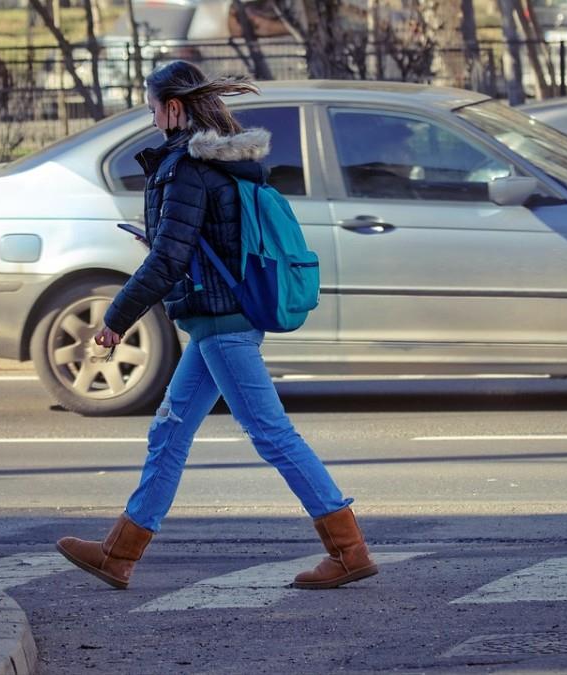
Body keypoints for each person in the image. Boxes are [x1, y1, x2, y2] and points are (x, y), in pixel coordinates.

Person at [55, 61, 377, 591]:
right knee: (170, 431)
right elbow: (198, 245)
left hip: (222, 324)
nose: (151, 115)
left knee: (271, 435)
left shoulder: (185, 169)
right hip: (217, 322)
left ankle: (348, 550)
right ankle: (119, 553)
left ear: (173, 108)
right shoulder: (218, 163)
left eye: (153, 105)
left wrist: (116, 319)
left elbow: (169, 261)